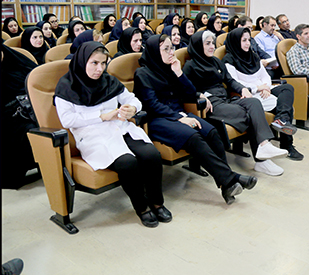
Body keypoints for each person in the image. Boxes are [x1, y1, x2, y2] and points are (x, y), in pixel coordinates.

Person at [54, 41, 171, 227]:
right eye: (94, 63)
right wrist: (101, 116)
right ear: (82, 61)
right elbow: (67, 120)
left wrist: (132, 108)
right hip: (91, 135)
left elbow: (133, 99)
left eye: (103, 63)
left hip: (119, 127)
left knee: (152, 155)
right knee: (128, 163)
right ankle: (142, 208)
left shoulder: (109, 81)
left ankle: (157, 203)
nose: (99, 69)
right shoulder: (66, 86)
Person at [134, 35, 257, 204]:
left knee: (213, 132)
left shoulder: (170, 68)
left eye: (172, 48)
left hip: (178, 114)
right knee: (194, 137)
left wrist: (179, 73)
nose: (172, 53)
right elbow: (152, 104)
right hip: (157, 120)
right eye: (166, 49)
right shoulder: (143, 73)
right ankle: (231, 179)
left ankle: (227, 183)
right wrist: (179, 118)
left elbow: (190, 93)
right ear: (155, 51)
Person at [183, 30, 289, 176]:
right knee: (249, 114)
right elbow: (183, 89)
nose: (212, 47)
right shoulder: (190, 66)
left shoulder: (215, 61)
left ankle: (264, 146)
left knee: (253, 103)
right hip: (210, 104)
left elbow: (230, 81)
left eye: (212, 43)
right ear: (197, 46)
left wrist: (243, 88)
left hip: (225, 99)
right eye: (207, 44)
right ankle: (262, 160)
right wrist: (198, 94)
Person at [222, 26, 304, 160]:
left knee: (287, 89)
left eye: (249, 40)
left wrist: (265, 86)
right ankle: (287, 145)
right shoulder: (228, 60)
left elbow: (264, 75)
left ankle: (281, 120)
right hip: (249, 94)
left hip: (264, 89)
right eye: (244, 40)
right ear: (236, 41)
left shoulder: (252, 55)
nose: (248, 43)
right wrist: (258, 87)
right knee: (284, 106)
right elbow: (234, 82)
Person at [1, 42, 41, 190]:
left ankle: (49, 164)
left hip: (29, 106)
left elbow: (38, 79)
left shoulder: (16, 61)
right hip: (7, 115)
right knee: (25, 131)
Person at [254, 15, 284, 80]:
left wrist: (281, 38)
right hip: (269, 68)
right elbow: (262, 55)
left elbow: (284, 51)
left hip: (280, 66)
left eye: (274, 26)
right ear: (265, 24)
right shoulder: (258, 38)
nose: (273, 28)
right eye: (272, 25)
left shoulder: (276, 36)